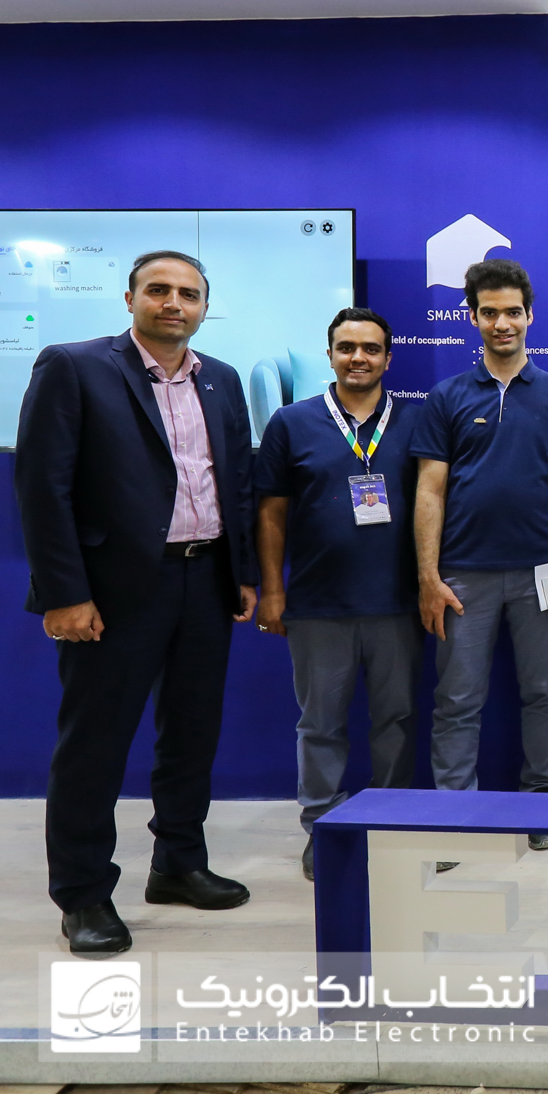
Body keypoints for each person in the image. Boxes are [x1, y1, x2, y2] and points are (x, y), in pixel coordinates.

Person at [18, 251, 259, 956]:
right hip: (116, 591)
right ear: (130, 299)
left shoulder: (222, 378)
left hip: (205, 579)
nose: (173, 303)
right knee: (95, 745)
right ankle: (84, 895)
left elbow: (234, 481)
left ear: (204, 307)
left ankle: (178, 863)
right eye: (159, 290)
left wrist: (241, 572)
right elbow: (43, 488)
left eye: (188, 293)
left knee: (191, 734)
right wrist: (64, 593)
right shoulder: (73, 367)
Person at [411, 259, 548, 839]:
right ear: (473, 318)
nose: (502, 323)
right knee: (457, 699)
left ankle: (541, 807)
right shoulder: (447, 396)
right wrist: (428, 577)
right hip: (463, 576)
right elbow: (430, 490)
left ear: (530, 316)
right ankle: (454, 818)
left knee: (544, 694)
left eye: (512, 312)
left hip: (545, 573)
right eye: (489, 313)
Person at [254, 307, 420, 882]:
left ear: (388, 359)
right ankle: (322, 825)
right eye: (347, 348)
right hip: (318, 604)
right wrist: (272, 589)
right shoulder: (291, 423)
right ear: (329, 355)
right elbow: (271, 513)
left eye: (371, 349)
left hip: (397, 603)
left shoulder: (416, 421)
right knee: (320, 723)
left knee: (396, 719)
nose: (358, 358)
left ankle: (391, 819)